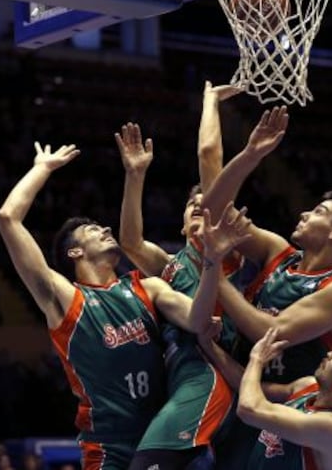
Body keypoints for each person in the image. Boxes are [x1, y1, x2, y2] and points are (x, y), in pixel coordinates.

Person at [0, 141, 250, 470]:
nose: (104, 228)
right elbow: (8, 218)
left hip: (162, 434)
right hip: (108, 447)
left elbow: (200, 320)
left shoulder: (149, 288)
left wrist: (213, 262)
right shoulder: (64, 299)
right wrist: (42, 168)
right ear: (75, 253)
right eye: (92, 229)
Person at [200, 104, 332, 469]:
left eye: (318, 213)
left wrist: (213, 273)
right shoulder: (278, 251)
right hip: (240, 388)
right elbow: (213, 212)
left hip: (288, 421)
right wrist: (250, 155)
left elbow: (267, 332)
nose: (304, 214)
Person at [117, 81, 250, 469]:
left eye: (204, 203)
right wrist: (135, 175)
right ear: (178, 225)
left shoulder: (223, 250)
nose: (199, 207)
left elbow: (210, 156)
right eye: (191, 205)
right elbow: (129, 241)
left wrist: (209, 102)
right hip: (177, 377)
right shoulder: (170, 264)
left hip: (206, 373)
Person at [235, 327, 332, 470]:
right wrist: (210, 347)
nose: (331, 353)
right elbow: (249, 387)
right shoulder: (310, 386)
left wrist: (256, 359)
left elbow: (249, 409)